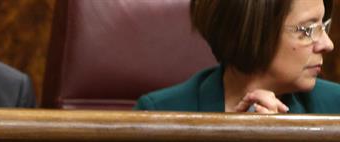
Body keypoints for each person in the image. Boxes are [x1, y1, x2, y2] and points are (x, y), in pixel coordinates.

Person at [135, 0, 338, 113]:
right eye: (308, 29)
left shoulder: (335, 107)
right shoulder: (159, 113)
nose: (328, 45)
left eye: (323, 25)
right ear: (253, 31)